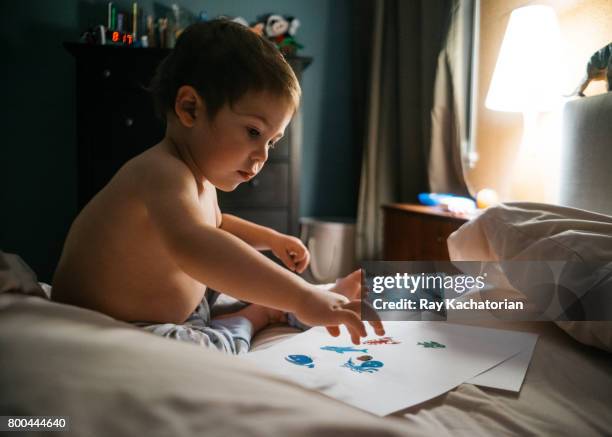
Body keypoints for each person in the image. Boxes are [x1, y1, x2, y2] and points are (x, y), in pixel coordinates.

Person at [52, 19, 383, 354]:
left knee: (238, 287)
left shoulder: (196, 179)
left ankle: (318, 300)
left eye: (273, 142)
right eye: (254, 132)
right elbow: (197, 243)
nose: (262, 155)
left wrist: (270, 240)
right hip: (109, 327)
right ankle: (261, 316)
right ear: (190, 108)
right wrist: (300, 293)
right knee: (201, 353)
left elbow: (218, 225)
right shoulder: (160, 172)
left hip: (187, 309)